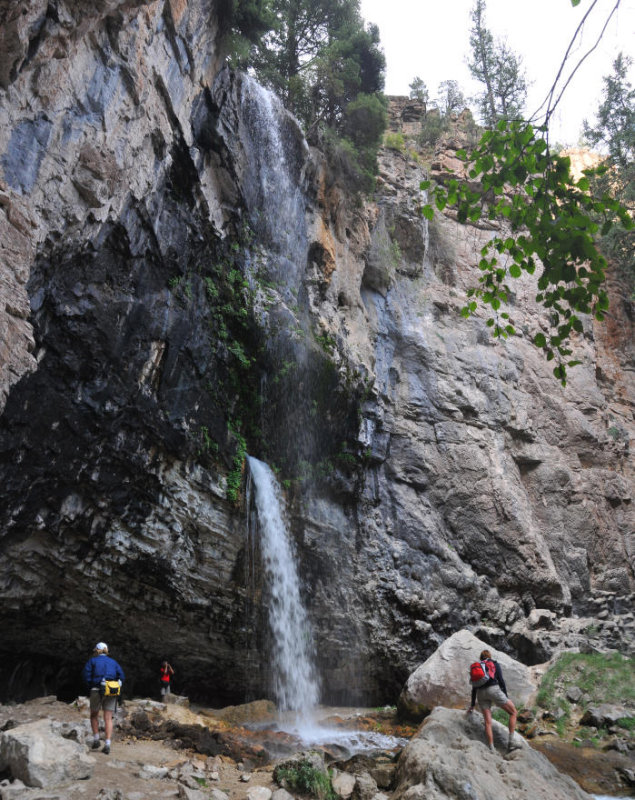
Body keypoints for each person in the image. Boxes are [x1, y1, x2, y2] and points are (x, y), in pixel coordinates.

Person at [467, 649, 520, 753]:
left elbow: (474, 687)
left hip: (480, 694)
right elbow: (501, 680)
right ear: (489, 656)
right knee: (513, 712)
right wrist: (505, 696)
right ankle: (511, 743)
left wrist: (472, 704)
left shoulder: (478, 667)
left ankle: (492, 748)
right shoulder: (494, 664)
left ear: (481, 658)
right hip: (493, 690)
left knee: (488, 722)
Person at [82, 642, 125, 755]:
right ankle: (107, 744)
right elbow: (122, 676)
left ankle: (96, 739)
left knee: (94, 715)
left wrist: (91, 686)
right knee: (108, 718)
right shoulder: (113, 662)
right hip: (111, 691)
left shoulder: (93, 661)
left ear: (97, 650)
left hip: (96, 689)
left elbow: (86, 675)